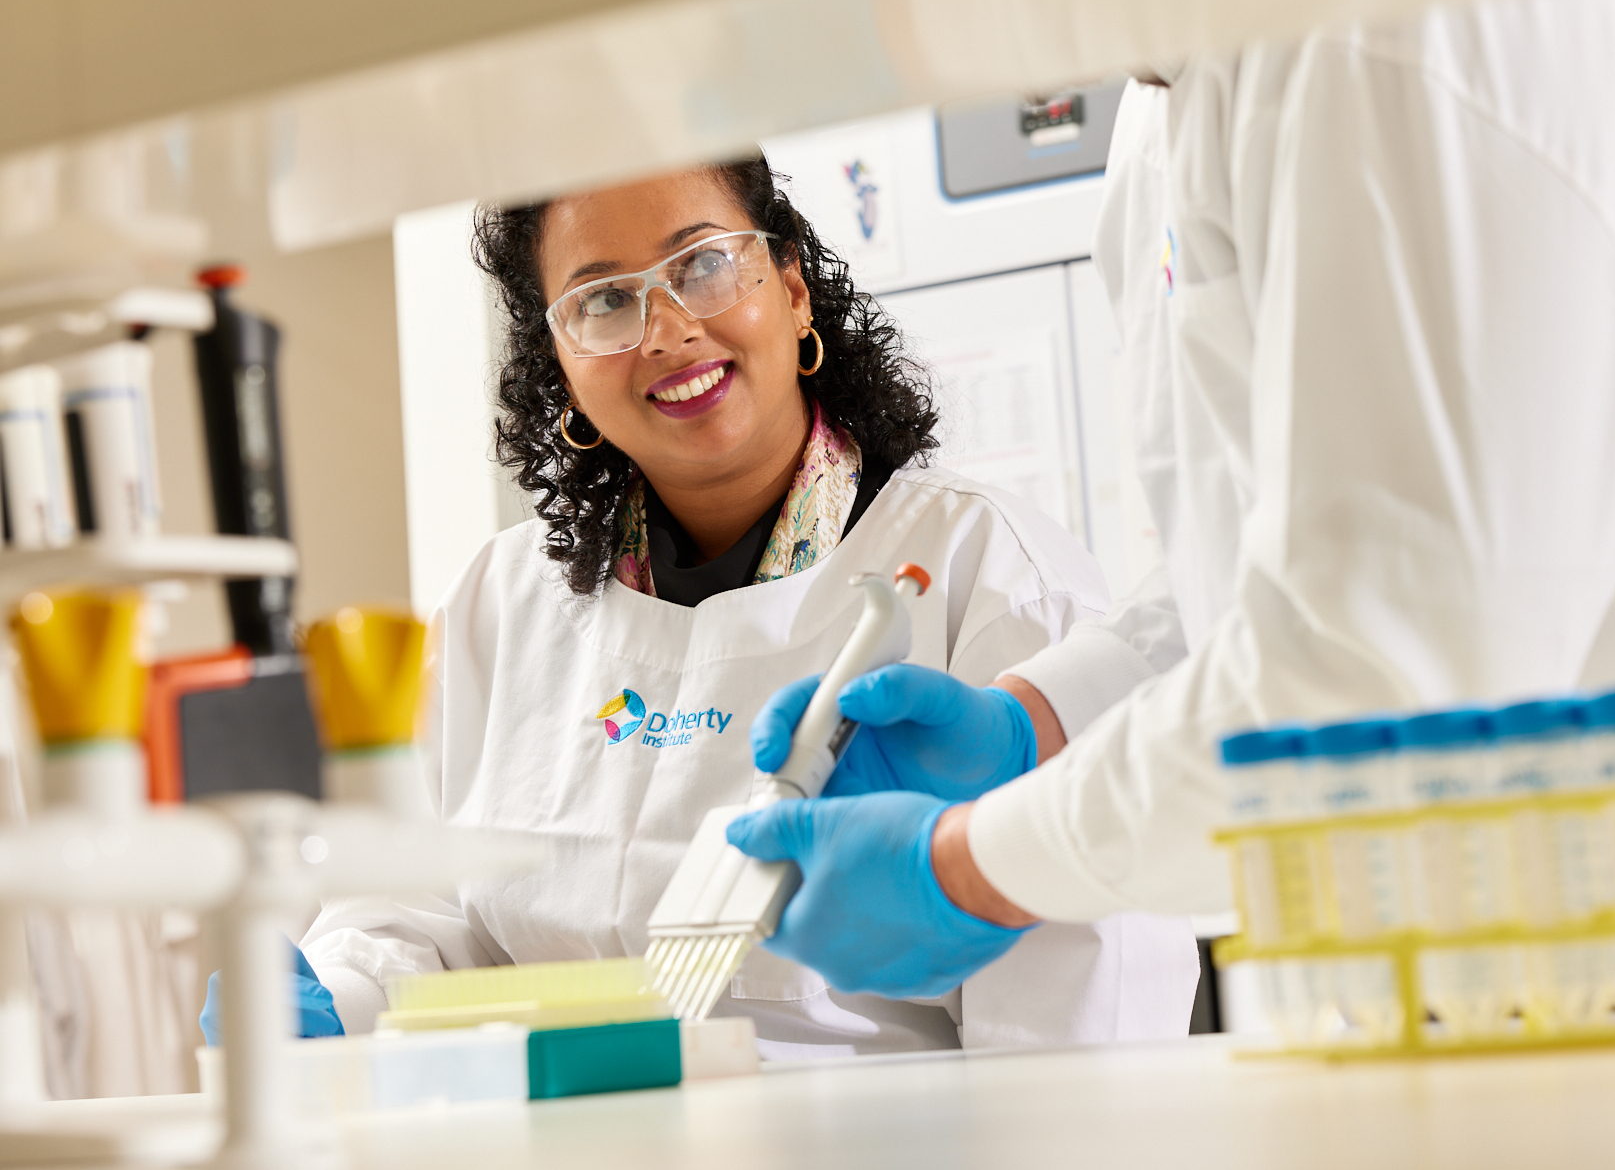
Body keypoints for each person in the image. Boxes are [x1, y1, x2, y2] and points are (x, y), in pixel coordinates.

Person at [721, 0, 1615, 997]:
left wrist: (972, 866)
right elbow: (1269, 564)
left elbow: (1385, 661)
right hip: (1575, 889)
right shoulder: (1179, 102)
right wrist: (1034, 722)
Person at [217, 158, 1196, 1057]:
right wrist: (335, 996)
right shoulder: (498, 603)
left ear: (791, 286)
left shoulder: (987, 569)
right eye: (603, 299)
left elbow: (1091, 997)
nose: (666, 329)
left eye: (701, 265)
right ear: (558, 359)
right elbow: (414, 906)